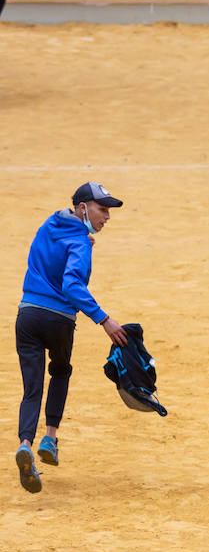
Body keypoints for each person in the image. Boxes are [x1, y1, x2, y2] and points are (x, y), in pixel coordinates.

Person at [14, 183, 129, 494]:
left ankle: (25, 444)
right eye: (101, 209)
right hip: (59, 320)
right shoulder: (80, 242)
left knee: (31, 389)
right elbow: (71, 285)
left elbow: (49, 250)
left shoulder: (49, 224)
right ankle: (50, 438)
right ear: (82, 208)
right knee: (61, 371)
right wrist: (104, 320)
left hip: (27, 315)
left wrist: (81, 237)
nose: (107, 216)